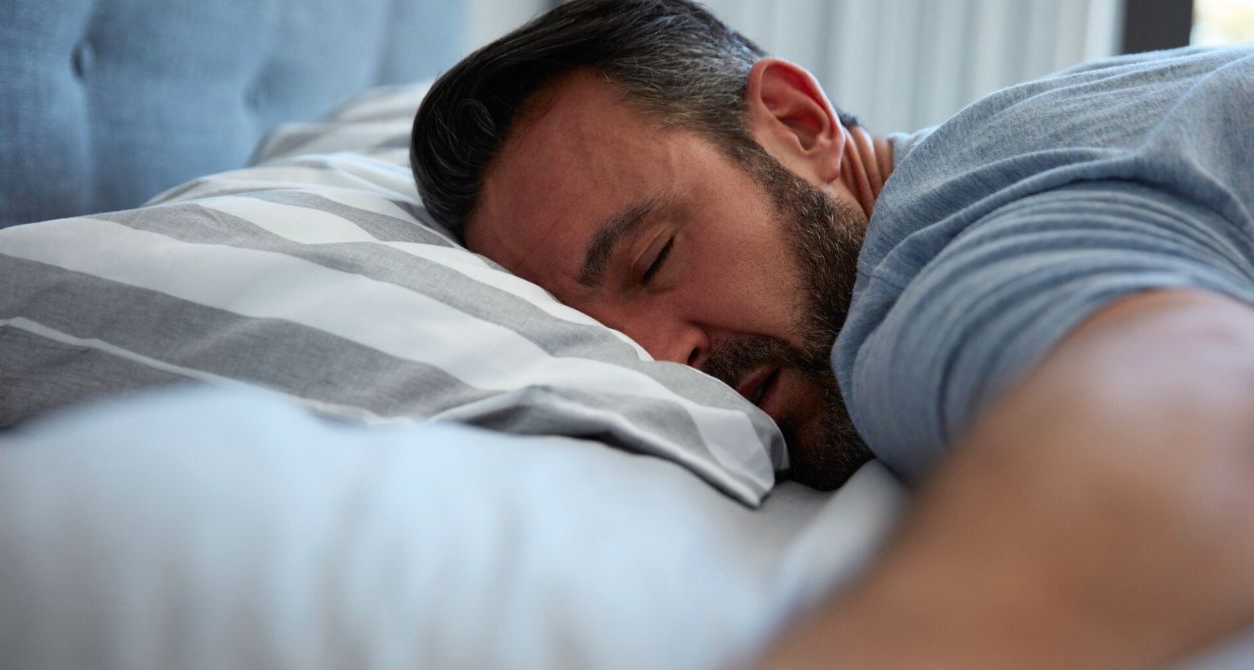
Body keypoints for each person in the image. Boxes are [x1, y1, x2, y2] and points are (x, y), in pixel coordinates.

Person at [410, 0, 1254, 666]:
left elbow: (1194, 405)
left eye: (655, 256)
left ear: (798, 123)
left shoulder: (927, 261)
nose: (664, 360)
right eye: (599, 334)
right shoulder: (1046, 130)